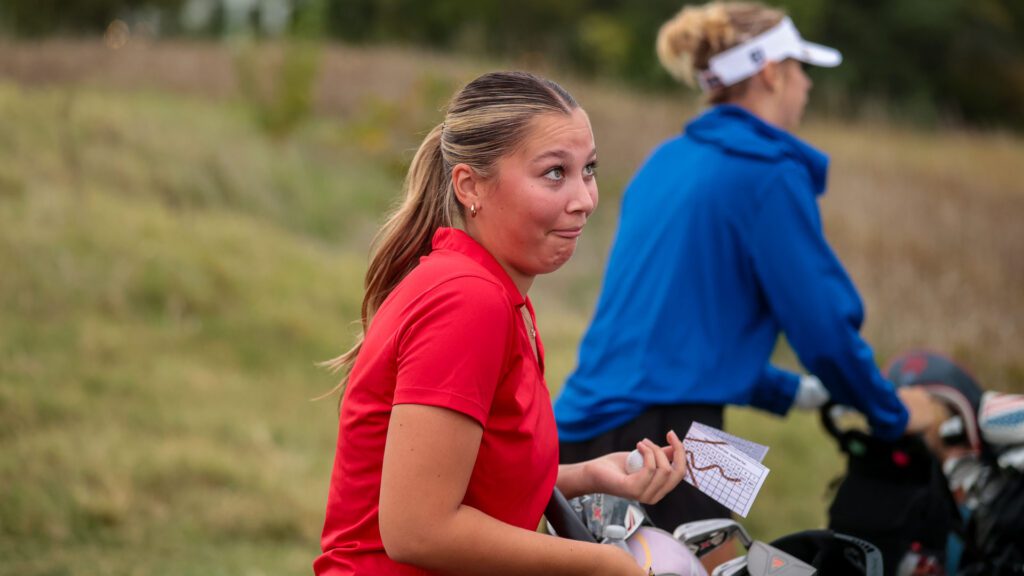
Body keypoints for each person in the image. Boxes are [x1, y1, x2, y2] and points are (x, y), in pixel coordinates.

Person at [553, 0, 939, 556]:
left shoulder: (667, 160)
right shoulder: (769, 174)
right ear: (770, 73)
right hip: (671, 431)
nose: (806, 84)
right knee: (725, 564)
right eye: (801, 68)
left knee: (740, 553)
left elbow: (687, 332)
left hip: (594, 422)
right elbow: (824, 331)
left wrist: (796, 392)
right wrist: (891, 413)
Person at [314, 71, 689, 576]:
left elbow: (469, 477)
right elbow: (416, 530)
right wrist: (606, 565)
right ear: (470, 185)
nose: (584, 199)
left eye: (589, 170)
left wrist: (587, 475)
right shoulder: (468, 301)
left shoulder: (498, 294)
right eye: (555, 173)